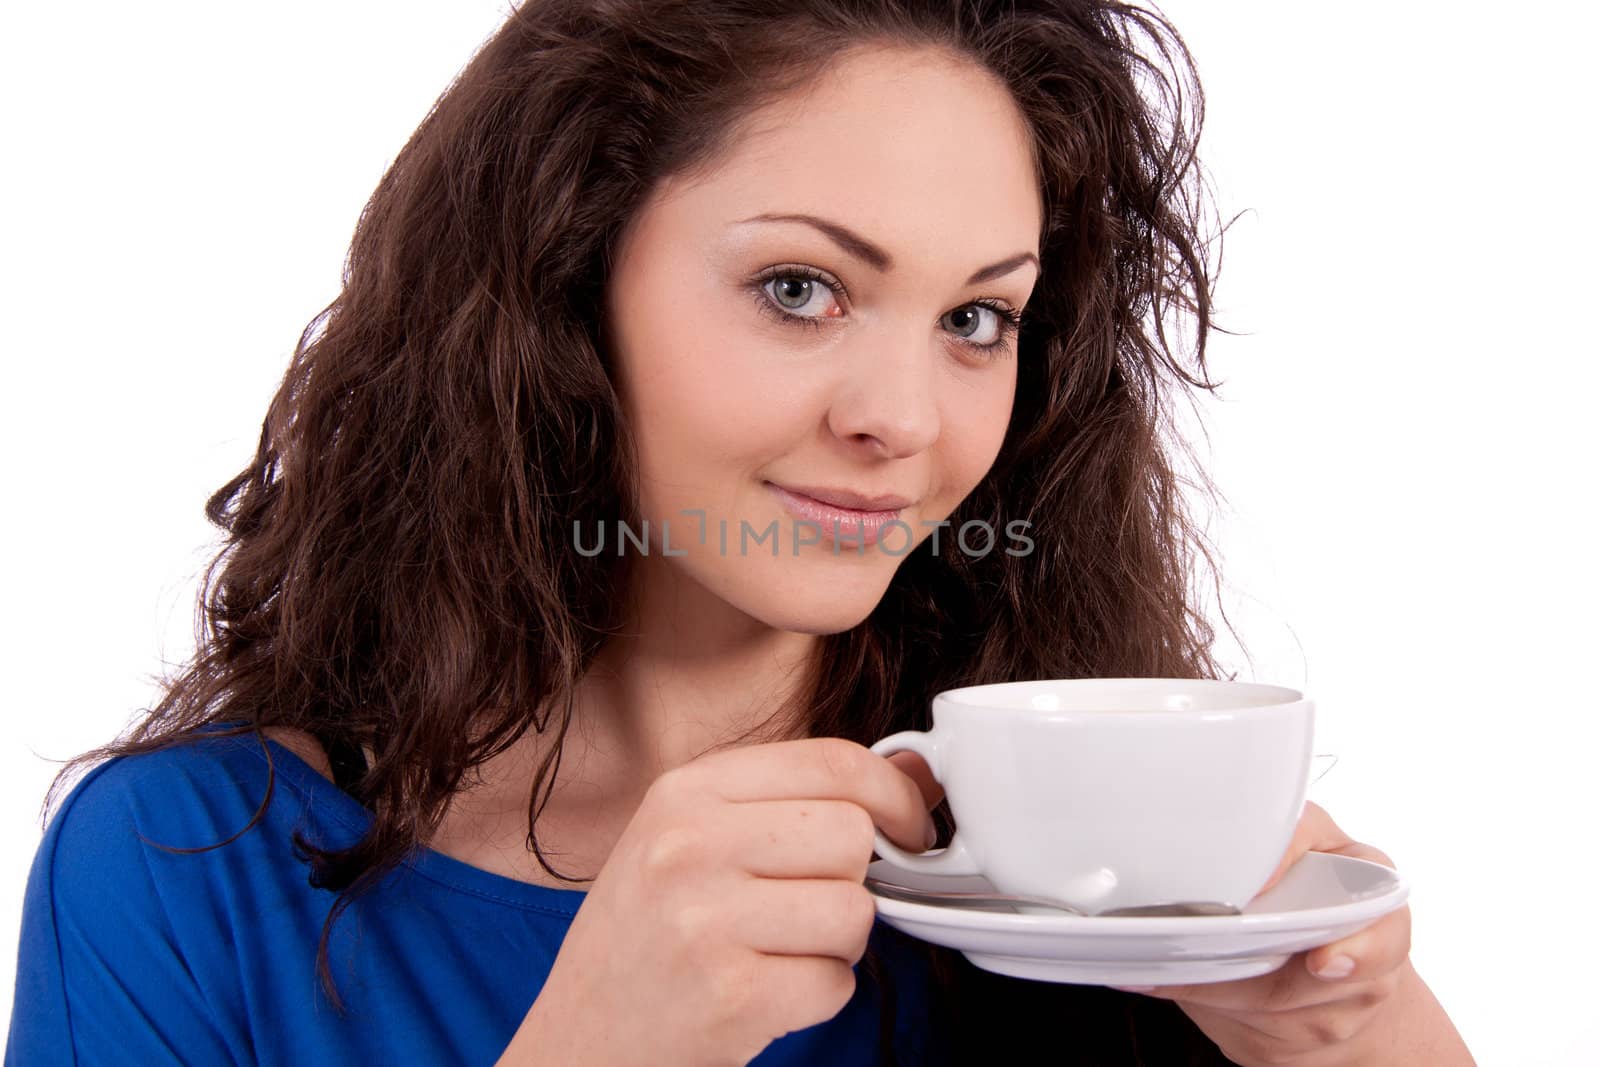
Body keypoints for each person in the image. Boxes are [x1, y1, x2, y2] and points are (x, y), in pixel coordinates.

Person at [5, 1, 1475, 1064]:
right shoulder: (187, 867)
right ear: (566, 281)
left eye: (977, 318)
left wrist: (1362, 1033)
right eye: (800, 288)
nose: (903, 416)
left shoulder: (1086, 900)